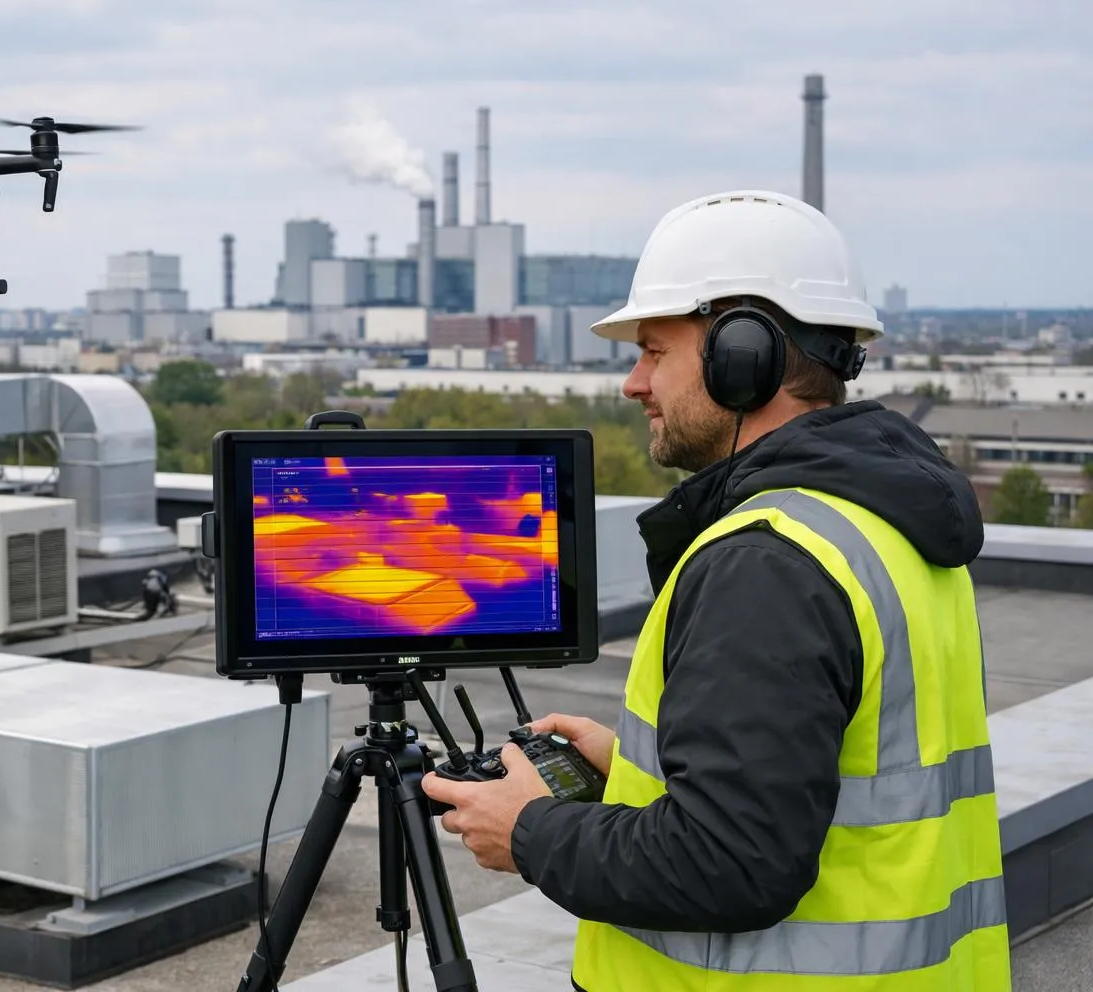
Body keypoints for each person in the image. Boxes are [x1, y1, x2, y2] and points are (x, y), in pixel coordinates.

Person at [420, 190, 1011, 990]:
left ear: (742, 356)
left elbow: (729, 864)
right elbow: (828, 774)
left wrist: (530, 830)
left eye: (653, 351)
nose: (634, 383)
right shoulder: (881, 522)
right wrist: (641, 770)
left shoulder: (767, 563)